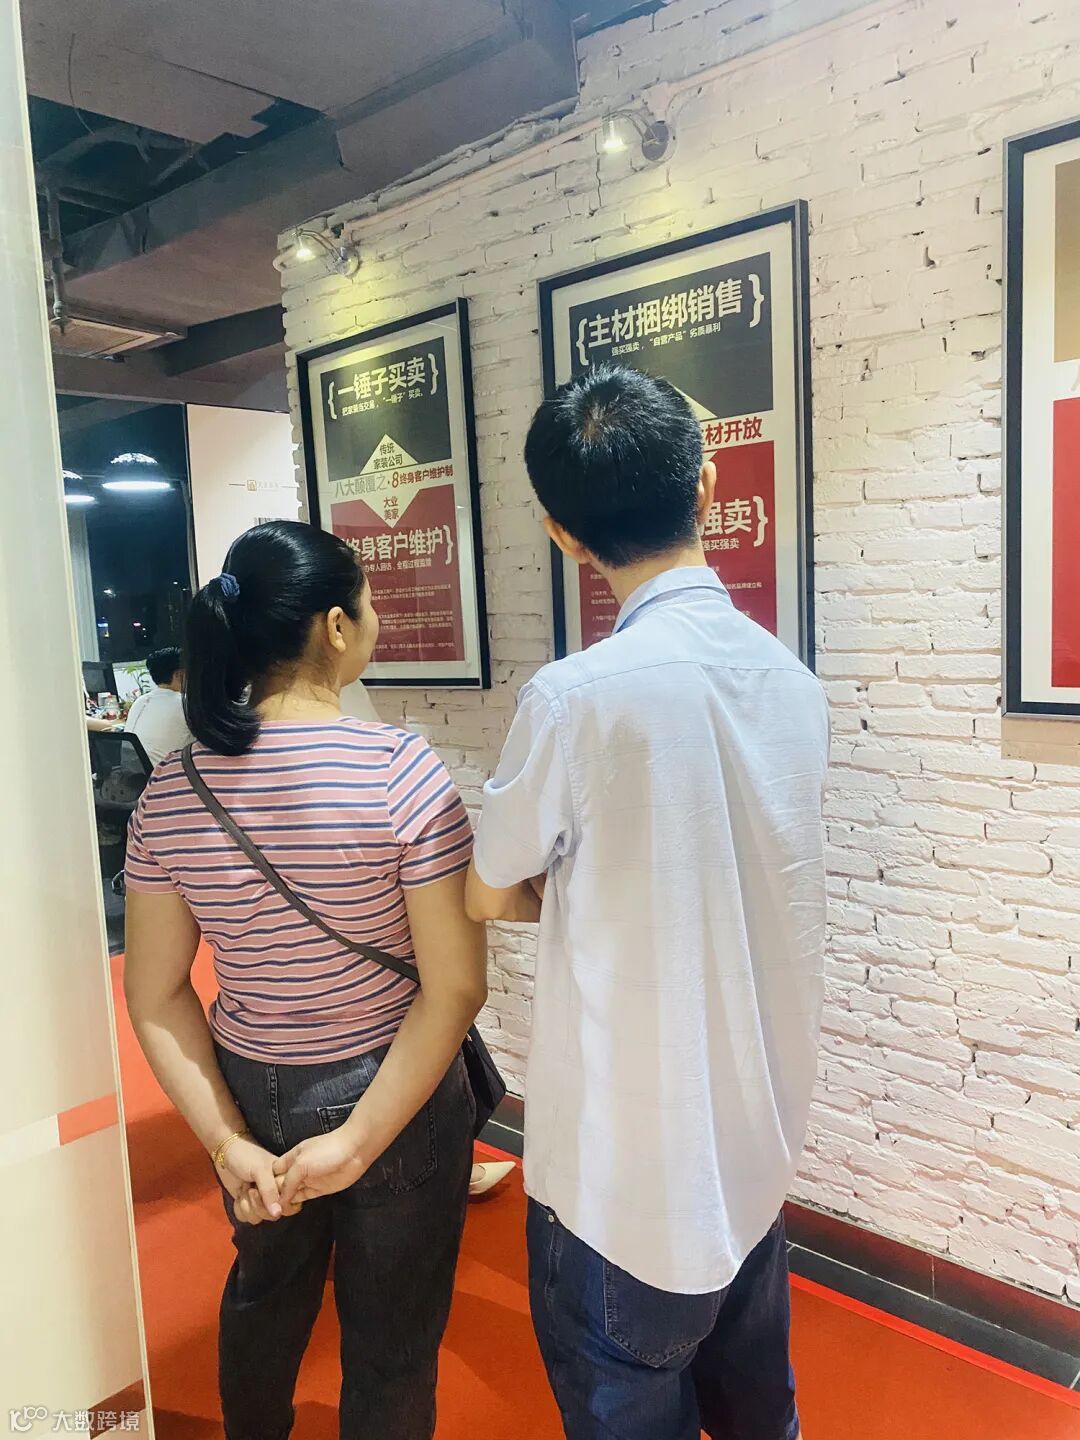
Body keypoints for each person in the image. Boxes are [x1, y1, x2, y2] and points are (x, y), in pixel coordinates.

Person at [466, 365, 829, 1440]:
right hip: (753, 1155)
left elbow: (488, 888)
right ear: (708, 485)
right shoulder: (792, 684)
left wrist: (576, 888)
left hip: (621, 1190)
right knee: (762, 1418)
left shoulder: (573, 699)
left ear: (562, 534)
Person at [123, 520, 486, 1440]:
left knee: (264, 1295)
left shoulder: (171, 791)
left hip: (250, 1087)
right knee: (392, 1335)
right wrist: (358, 1143)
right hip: (395, 1086)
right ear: (334, 626)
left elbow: (157, 992)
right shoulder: (400, 770)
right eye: (366, 602)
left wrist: (224, 1144)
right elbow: (453, 988)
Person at [124, 646, 192, 766]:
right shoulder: (185, 704)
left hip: (132, 774)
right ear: (178, 675)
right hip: (166, 774)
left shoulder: (140, 701)